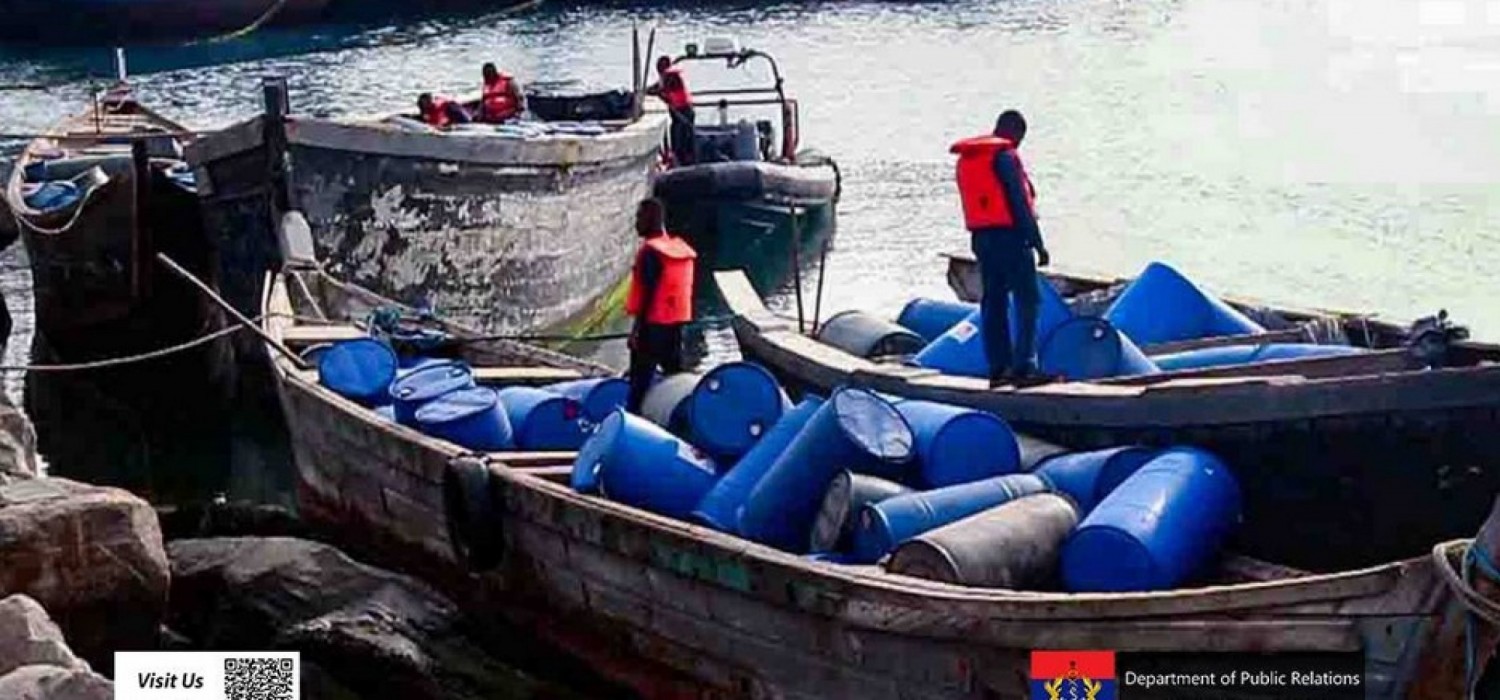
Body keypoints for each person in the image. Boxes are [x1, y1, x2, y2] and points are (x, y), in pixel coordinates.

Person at [950, 109, 1051, 387]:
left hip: (981, 238)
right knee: (1028, 300)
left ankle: (999, 368)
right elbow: (1019, 203)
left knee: (993, 301)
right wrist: (1038, 243)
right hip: (1011, 237)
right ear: (1015, 133)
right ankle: (1025, 366)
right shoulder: (1005, 157)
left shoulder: (968, 160)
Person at [623, 198, 697, 413]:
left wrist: (636, 332)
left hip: (651, 326)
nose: (636, 223)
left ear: (649, 219)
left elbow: (648, 295)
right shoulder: (678, 250)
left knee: (638, 385)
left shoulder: (651, 252)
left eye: (639, 218)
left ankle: (631, 426)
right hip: (675, 325)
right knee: (675, 377)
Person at [646, 56, 696, 166]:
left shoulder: (672, 76)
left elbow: (662, 90)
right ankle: (677, 159)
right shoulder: (665, 77)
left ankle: (686, 163)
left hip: (684, 112)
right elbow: (655, 89)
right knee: (675, 136)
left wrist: (655, 92)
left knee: (684, 140)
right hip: (677, 114)